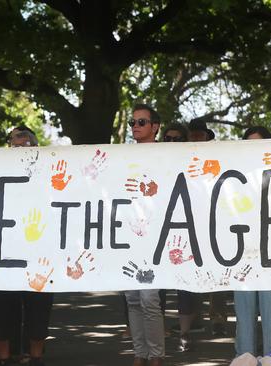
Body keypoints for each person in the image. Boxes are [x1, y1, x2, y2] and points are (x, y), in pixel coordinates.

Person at [0, 125, 53, 366]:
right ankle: (5, 358)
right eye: (13, 144)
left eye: (24, 143)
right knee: (2, 307)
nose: (18, 147)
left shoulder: (47, 173)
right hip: (3, 252)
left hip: (39, 253)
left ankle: (35, 357)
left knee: (38, 306)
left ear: (34, 146)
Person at [233, 126, 271, 358]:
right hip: (243, 252)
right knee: (244, 314)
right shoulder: (235, 177)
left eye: (258, 143)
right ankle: (243, 360)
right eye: (248, 143)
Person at [125, 104, 164, 366]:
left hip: (156, 234)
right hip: (127, 234)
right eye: (132, 122)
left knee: (149, 298)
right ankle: (140, 354)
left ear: (155, 127)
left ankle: (156, 356)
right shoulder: (123, 156)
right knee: (132, 297)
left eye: (141, 121)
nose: (135, 126)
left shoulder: (166, 154)